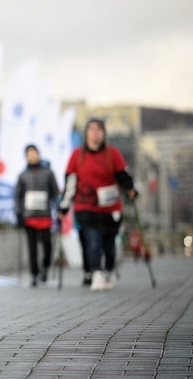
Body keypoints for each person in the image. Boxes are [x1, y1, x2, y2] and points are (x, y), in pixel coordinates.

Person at [58, 118, 137, 291]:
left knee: (109, 244)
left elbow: (123, 175)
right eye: (92, 129)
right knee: (91, 241)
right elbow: (70, 183)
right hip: (85, 206)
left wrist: (131, 188)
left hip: (110, 207)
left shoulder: (113, 154)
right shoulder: (76, 156)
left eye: (99, 129)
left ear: (103, 134)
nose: (95, 133)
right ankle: (96, 273)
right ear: (86, 133)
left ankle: (108, 270)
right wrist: (64, 206)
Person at [14, 144, 60, 287]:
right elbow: (18, 196)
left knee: (47, 244)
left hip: (44, 215)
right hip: (29, 216)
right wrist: (18, 213)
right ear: (26, 156)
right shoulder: (22, 175)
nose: (32, 156)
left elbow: (55, 193)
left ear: (38, 154)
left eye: (34, 153)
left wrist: (59, 208)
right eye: (29, 154)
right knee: (32, 247)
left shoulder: (48, 172)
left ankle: (45, 266)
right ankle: (34, 273)